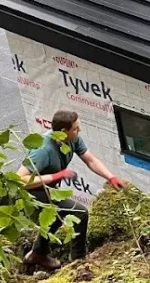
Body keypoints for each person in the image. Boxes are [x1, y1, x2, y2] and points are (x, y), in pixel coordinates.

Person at [17, 109, 127, 272]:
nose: (79, 130)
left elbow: (90, 160)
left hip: (50, 189)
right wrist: (56, 176)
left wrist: (110, 177)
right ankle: (78, 261)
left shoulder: (73, 140)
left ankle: (38, 254)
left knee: (55, 217)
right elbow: (20, 179)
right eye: (75, 128)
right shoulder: (43, 150)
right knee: (80, 212)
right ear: (63, 131)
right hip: (33, 192)